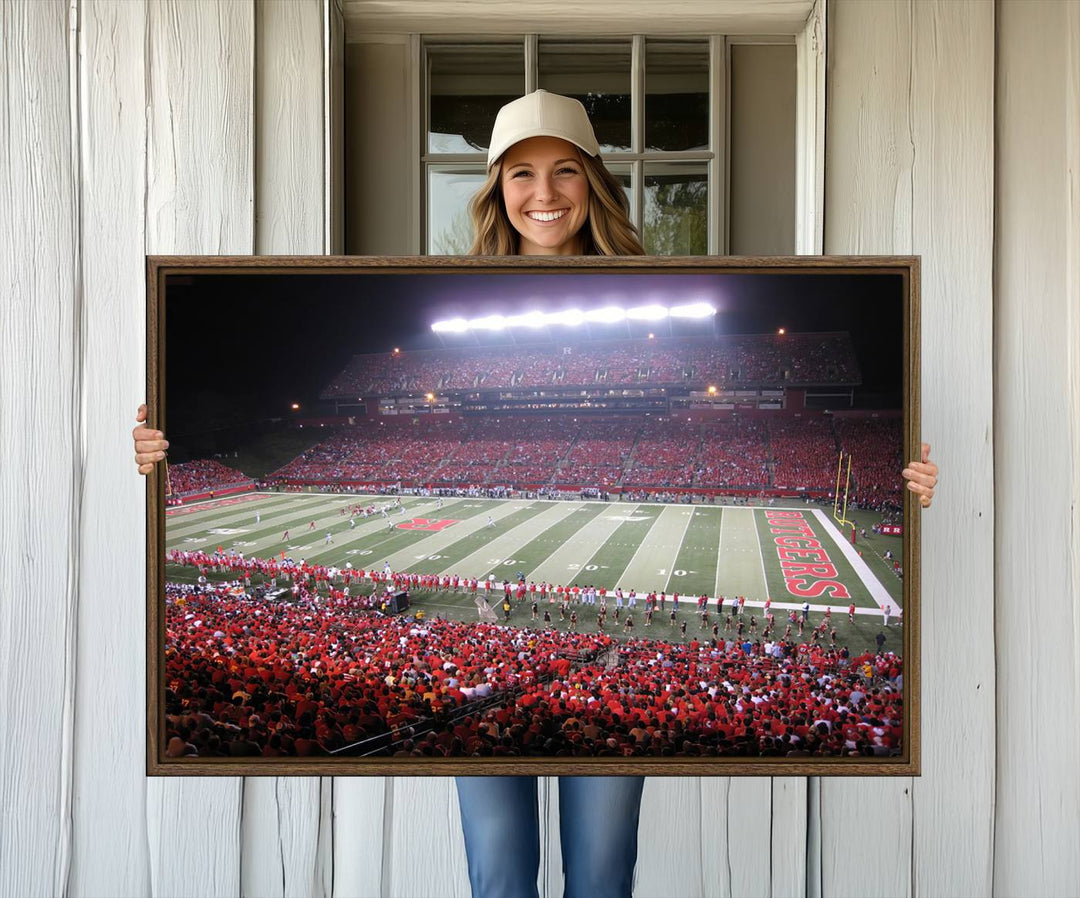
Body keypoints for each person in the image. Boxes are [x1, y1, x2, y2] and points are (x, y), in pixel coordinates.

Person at [132, 89, 940, 898]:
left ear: (594, 181)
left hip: (568, 713)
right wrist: (156, 448)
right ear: (495, 188)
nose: (544, 193)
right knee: (499, 875)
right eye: (521, 173)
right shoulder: (448, 287)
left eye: (564, 171)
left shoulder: (667, 281)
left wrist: (906, 481)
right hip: (490, 721)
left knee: (599, 873)